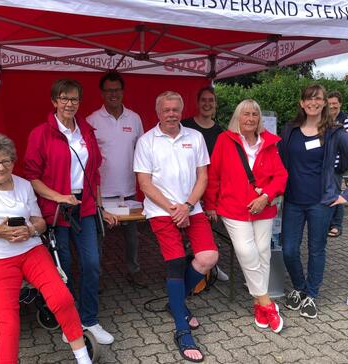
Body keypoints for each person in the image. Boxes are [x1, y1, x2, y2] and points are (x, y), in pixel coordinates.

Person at [0, 134, 92, 364]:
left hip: (30, 250)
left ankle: (82, 356)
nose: (0, 167)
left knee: (62, 298)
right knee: (8, 319)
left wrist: (30, 230)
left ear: (13, 161)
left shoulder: (24, 185)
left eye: (6, 161)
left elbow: (40, 222)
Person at [23, 78, 117, 345]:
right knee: (63, 268)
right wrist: (58, 197)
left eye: (74, 99)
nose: (69, 103)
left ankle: (90, 320)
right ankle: (69, 322)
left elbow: (94, 172)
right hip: (56, 210)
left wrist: (99, 205)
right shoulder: (40, 134)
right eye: (63, 98)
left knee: (91, 264)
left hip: (84, 207)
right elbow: (32, 176)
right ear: (54, 101)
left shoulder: (87, 130)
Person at [134, 91, 218, 362]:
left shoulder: (194, 137)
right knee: (176, 261)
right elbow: (145, 184)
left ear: (181, 111)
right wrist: (173, 208)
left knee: (208, 257)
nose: (171, 114)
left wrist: (188, 205)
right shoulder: (146, 141)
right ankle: (182, 330)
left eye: (175, 109)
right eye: (166, 109)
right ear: (158, 112)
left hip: (191, 207)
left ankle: (176, 302)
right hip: (161, 210)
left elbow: (202, 176)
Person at [279, 84, 348, 319]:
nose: (313, 102)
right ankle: (299, 287)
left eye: (318, 99)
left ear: (325, 103)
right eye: (309, 98)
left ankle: (311, 295)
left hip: (322, 203)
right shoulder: (290, 130)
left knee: (316, 250)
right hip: (293, 201)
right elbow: (277, 160)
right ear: (302, 103)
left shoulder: (334, 132)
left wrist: (345, 195)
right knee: (288, 250)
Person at [204, 99, 288, 333]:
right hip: (233, 207)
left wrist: (266, 197)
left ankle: (258, 306)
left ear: (259, 119)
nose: (250, 118)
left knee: (262, 253)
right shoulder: (225, 140)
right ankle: (267, 302)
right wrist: (210, 203)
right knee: (246, 251)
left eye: (254, 114)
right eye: (246, 114)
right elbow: (214, 175)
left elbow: (281, 176)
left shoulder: (270, 143)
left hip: (264, 207)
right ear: (237, 117)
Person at [87, 71, 146, 288]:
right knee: (99, 237)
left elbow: (142, 152)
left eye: (117, 90)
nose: (113, 94)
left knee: (132, 236)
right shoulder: (92, 120)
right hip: (102, 191)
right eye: (109, 90)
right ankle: (98, 277)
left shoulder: (134, 118)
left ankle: (134, 270)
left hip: (128, 190)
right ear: (102, 93)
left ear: (122, 92)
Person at [182, 85, 229, 282]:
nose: (207, 104)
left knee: (209, 230)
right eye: (204, 100)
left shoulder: (221, 132)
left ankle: (212, 267)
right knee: (187, 233)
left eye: (211, 101)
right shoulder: (185, 127)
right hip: (188, 188)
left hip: (212, 188)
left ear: (216, 105)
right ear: (197, 103)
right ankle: (190, 270)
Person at [327, 91, 348, 238]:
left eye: (335, 103)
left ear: (340, 104)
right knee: (327, 193)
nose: (332, 106)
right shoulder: (324, 119)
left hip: (337, 164)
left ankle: (336, 225)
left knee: (336, 193)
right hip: (325, 163)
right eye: (330, 103)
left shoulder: (346, 119)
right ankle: (328, 222)